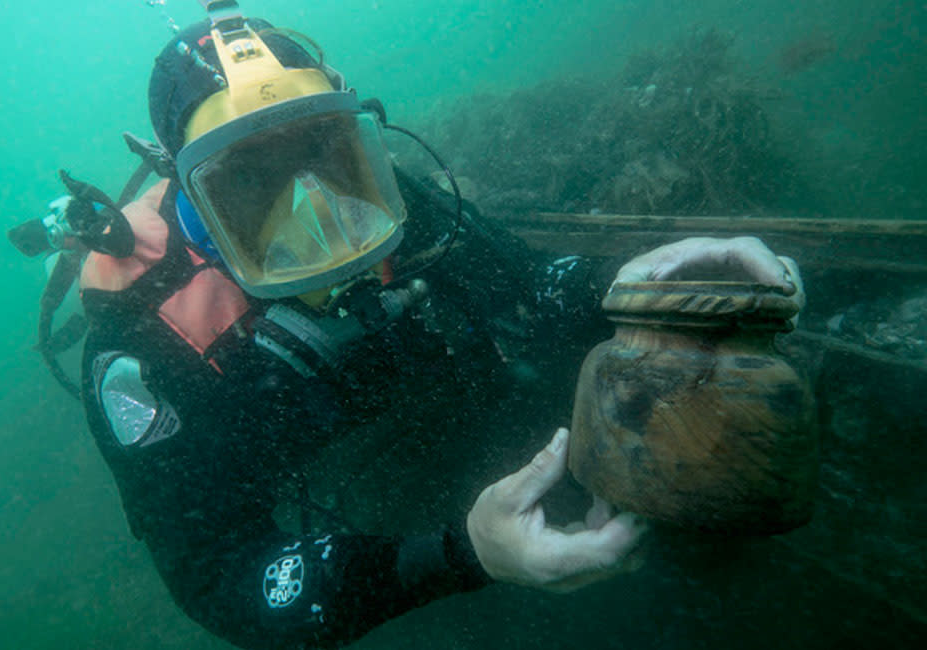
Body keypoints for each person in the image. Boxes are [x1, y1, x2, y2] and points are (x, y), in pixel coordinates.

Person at [71, 6, 804, 649]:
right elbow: (219, 577)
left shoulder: (380, 197)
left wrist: (634, 280)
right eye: (252, 181)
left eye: (324, 150)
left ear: (354, 136)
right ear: (186, 184)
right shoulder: (139, 341)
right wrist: (466, 553)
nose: (317, 211)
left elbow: (524, 281)